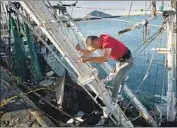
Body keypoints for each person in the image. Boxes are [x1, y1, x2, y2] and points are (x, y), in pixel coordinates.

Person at [75, 34, 134, 104]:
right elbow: (89, 51)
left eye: (93, 46)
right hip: (119, 61)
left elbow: (104, 58)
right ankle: (122, 82)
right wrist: (81, 50)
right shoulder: (100, 40)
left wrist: (87, 59)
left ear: (96, 41)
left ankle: (114, 99)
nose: (94, 48)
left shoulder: (107, 43)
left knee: (116, 80)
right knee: (120, 78)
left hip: (127, 61)